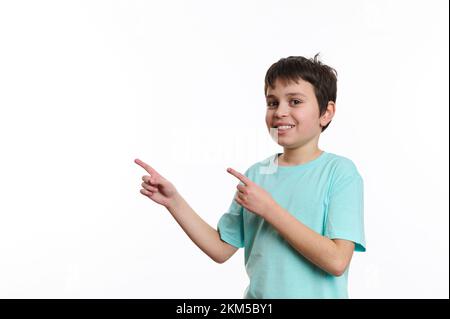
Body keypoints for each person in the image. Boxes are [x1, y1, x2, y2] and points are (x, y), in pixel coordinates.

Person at [135, 53, 366, 299]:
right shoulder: (256, 175)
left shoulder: (340, 172)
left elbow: (336, 260)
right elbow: (221, 249)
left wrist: (269, 210)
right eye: (272, 103)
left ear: (326, 112)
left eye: (295, 101)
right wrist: (174, 202)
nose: (280, 112)